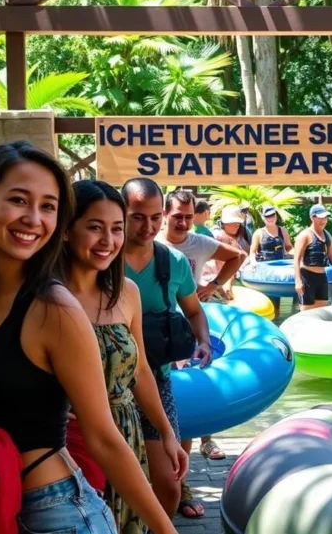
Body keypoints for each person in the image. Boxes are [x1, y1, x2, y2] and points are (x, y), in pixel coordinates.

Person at [0, 142, 176, 534]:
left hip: (52, 514)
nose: (34, 218)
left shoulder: (54, 307)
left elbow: (104, 439)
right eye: (19, 200)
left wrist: (166, 530)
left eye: (48, 206)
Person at [62, 180, 189, 533]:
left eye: (116, 229)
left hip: (126, 424)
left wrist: (166, 432)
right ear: (66, 231)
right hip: (70, 437)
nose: (108, 241)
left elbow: (142, 371)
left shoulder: (126, 292)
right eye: (94, 227)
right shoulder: (46, 295)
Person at [121, 178, 213, 519]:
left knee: (169, 484)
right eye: (137, 217)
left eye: (155, 217)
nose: (148, 226)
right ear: (123, 214)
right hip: (104, 384)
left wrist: (202, 341)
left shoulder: (173, 261)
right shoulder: (101, 256)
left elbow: (193, 310)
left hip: (156, 380)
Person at [158, 190, 245, 508]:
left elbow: (237, 256)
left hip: (185, 331)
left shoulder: (199, 244)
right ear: (165, 215)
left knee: (183, 409)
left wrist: (213, 286)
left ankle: (183, 487)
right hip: (152, 330)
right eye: (177, 216)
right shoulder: (152, 241)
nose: (183, 222)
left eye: (188, 216)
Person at [293, 204, 332, 311]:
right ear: (312, 217)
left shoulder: (327, 235)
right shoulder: (305, 235)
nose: (323, 220)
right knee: (306, 313)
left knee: (320, 312)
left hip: (322, 278)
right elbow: (296, 260)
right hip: (307, 278)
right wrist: (298, 281)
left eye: (325, 217)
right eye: (320, 218)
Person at [207, 206, 250, 300]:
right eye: (231, 224)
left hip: (240, 277)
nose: (235, 226)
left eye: (237, 224)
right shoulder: (216, 236)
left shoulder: (243, 236)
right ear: (223, 224)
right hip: (219, 277)